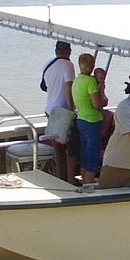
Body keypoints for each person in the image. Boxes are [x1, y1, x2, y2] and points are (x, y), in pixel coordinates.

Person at [41, 40, 77, 180]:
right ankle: (67, 178)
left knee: (58, 147)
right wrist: (71, 108)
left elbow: (45, 87)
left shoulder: (48, 65)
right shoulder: (68, 65)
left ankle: (60, 176)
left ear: (56, 51)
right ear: (69, 51)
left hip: (50, 109)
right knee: (69, 148)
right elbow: (68, 86)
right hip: (62, 111)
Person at [70, 53, 107, 185]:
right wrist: (103, 101)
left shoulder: (77, 80)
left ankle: (84, 180)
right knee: (93, 154)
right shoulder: (90, 81)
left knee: (85, 152)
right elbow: (96, 104)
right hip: (92, 120)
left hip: (81, 118)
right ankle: (88, 184)